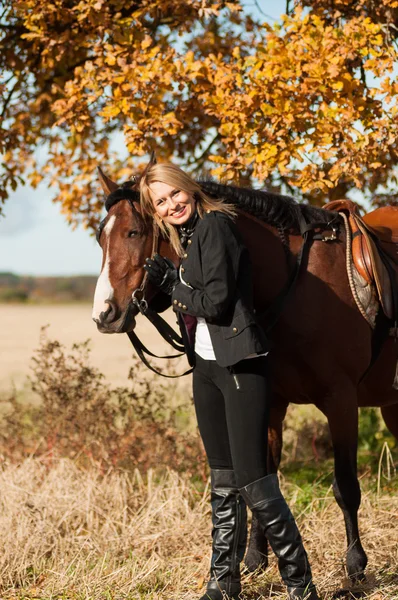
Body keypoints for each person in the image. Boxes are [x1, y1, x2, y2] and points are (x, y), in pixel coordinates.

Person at [140, 162, 319, 600]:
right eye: (161, 202)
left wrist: (172, 284)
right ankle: (223, 582)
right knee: (222, 482)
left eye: (174, 194)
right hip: (207, 367)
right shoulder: (187, 236)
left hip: (240, 365)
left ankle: (300, 586)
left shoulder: (216, 226)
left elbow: (216, 303)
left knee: (255, 483)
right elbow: (192, 298)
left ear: (188, 188)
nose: (172, 204)